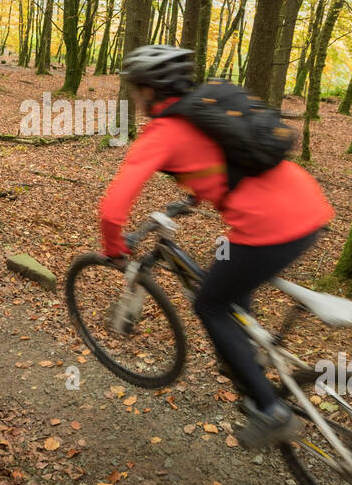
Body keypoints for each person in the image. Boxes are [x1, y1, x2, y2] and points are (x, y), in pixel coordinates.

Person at [98, 44, 334, 449]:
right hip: (310, 209)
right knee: (229, 272)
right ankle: (251, 357)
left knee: (209, 303)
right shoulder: (205, 108)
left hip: (268, 227)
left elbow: (113, 207)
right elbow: (219, 163)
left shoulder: (163, 130)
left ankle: (270, 410)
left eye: (137, 89)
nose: (136, 98)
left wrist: (114, 246)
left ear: (151, 90)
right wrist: (193, 196)